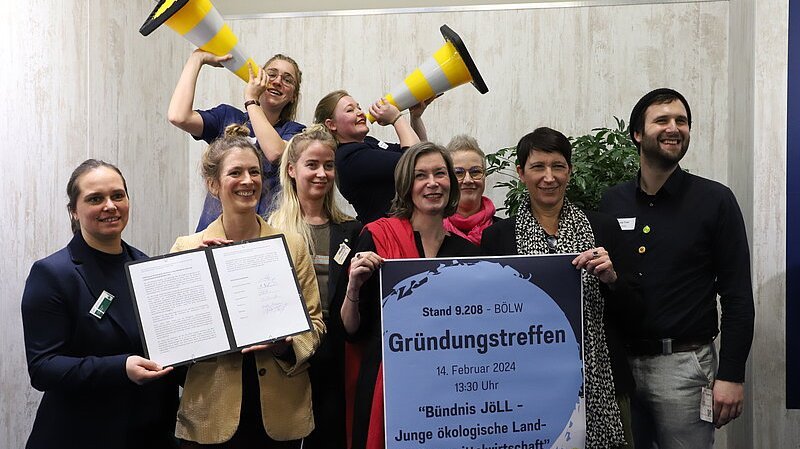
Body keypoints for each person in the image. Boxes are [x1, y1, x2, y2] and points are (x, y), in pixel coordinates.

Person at [599, 88, 755, 449]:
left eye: (681, 121)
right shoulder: (613, 201)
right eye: (662, 120)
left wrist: (731, 375)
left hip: (686, 368)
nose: (674, 128)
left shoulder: (716, 200)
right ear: (637, 133)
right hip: (622, 367)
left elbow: (737, 296)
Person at [171, 125, 324, 448]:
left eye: (254, 172)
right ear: (214, 184)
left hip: (281, 411)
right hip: (210, 411)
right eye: (235, 172)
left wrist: (284, 346)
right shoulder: (188, 249)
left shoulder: (292, 245)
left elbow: (315, 322)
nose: (248, 181)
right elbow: (173, 338)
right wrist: (197, 276)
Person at [481, 127, 631, 449]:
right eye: (538, 167)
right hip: (525, 384)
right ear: (521, 172)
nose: (549, 177)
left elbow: (635, 308)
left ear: (570, 170)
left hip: (600, 382)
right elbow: (490, 316)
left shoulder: (602, 228)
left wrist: (612, 279)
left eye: (558, 166)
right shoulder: (498, 238)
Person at [21, 159, 180, 449]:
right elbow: (43, 367)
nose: (110, 206)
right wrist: (121, 367)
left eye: (117, 195)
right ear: (74, 210)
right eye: (95, 199)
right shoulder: (52, 274)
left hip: (149, 435)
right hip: (80, 436)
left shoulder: (146, 266)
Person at [341, 142, 480, 449]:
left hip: (450, 390)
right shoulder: (377, 237)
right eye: (421, 176)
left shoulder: (469, 254)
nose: (432, 183)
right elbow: (352, 331)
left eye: (440, 174)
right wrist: (353, 287)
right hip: (387, 385)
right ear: (407, 186)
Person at [268, 124, 362, 449]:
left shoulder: (352, 230)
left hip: (334, 361)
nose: (322, 174)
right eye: (312, 165)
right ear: (292, 169)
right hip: (285, 360)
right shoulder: (269, 232)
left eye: (328, 165)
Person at [168, 50, 305, 231]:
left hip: (264, 236)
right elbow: (178, 116)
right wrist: (197, 58)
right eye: (271, 74)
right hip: (214, 236)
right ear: (259, 78)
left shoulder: (295, 132)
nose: (278, 81)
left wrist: (251, 100)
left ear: (293, 95)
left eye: (288, 80)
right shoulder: (227, 116)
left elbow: (275, 153)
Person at [314, 90, 433, 224]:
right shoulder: (348, 157)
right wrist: (396, 119)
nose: (360, 112)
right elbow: (417, 162)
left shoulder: (368, 142)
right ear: (331, 124)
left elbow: (421, 152)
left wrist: (415, 117)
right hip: (387, 236)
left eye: (358, 107)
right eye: (350, 110)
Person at [443, 134, 499, 244]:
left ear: (484, 176)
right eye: (458, 173)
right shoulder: (432, 233)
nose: (468, 180)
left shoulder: (504, 233)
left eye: (475, 172)